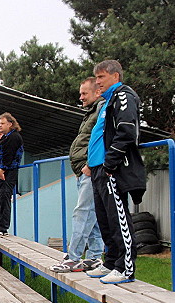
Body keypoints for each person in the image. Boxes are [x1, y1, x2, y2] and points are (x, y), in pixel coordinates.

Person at [86, 60, 145, 284]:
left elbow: (127, 131)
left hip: (112, 169)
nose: (97, 82)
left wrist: (110, 163)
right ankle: (110, 261)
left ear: (115, 76)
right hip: (98, 169)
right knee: (104, 219)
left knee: (118, 218)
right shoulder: (107, 102)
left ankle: (125, 267)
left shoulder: (123, 96)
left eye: (101, 77)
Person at [51, 77, 105, 273]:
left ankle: (73, 258)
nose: (80, 97)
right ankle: (94, 257)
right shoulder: (92, 111)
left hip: (89, 169)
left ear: (97, 92)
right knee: (94, 214)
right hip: (83, 169)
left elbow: (103, 137)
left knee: (82, 212)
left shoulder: (101, 109)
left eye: (84, 93)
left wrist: (90, 164)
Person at [0, 112, 24, 235]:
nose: (0, 126)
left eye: (2, 123)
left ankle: (3, 227)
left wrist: (3, 169)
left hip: (8, 171)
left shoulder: (14, 137)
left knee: (4, 197)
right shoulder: (4, 137)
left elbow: (9, 154)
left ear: (10, 124)